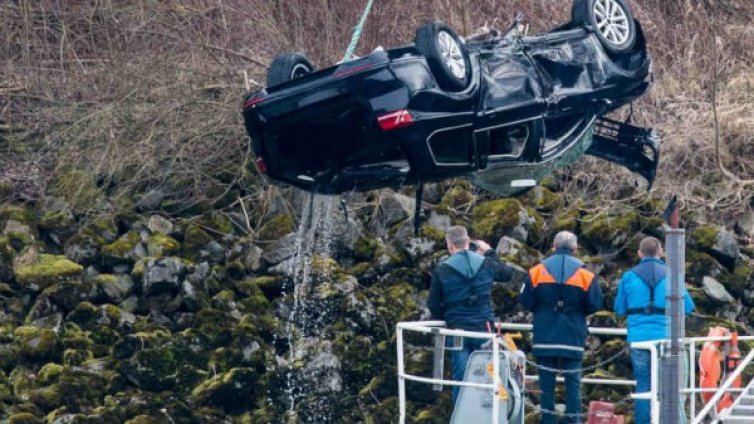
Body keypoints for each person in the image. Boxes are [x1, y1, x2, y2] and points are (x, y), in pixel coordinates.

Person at [520, 231, 604, 424]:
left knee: (546, 384)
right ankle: (572, 421)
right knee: (573, 384)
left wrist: (543, 310)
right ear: (575, 248)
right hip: (573, 335)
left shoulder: (536, 272)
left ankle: (547, 420)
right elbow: (595, 304)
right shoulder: (585, 275)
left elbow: (526, 301)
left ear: (553, 246)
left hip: (545, 333)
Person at [427, 225, 513, 404]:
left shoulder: (442, 270)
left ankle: (461, 415)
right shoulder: (485, 263)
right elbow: (507, 274)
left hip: (458, 328)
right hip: (484, 327)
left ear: (450, 245)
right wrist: (489, 251)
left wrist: (445, 318)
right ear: (468, 242)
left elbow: (434, 304)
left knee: (461, 378)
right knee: (488, 377)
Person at [614, 236, 695, 424]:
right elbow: (688, 307)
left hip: (639, 340)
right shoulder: (673, 276)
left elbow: (619, 308)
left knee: (644, 386)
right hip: (666, 340)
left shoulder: (629, 276)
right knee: (669, 387)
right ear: (661, 253)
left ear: (639, 253)